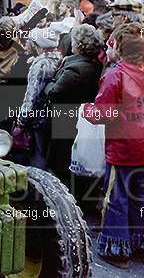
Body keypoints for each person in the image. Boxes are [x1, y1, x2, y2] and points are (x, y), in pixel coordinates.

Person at [83, 23, 144, 269]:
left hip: (121, 146)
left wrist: (87, 109)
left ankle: (116, 249)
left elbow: (103, 114)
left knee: (116, 197)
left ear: (119, 46)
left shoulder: (114, 75)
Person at [43, 24, 103, 196]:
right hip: (80, 118)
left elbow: (55, 93)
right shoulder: (94, 64)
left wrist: (48, 84)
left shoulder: (75, 68)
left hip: (67, 118)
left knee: (62, 161)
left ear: (78, 44)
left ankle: (66, 199)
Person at [14, 27, 63, 169]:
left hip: (38, 117)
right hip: (51, 114)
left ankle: (37, 187)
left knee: (37, 155)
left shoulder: (40, 64)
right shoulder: (59, 58)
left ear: (38, 45)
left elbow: (32, 94)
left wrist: (23, 118)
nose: (27, 44)